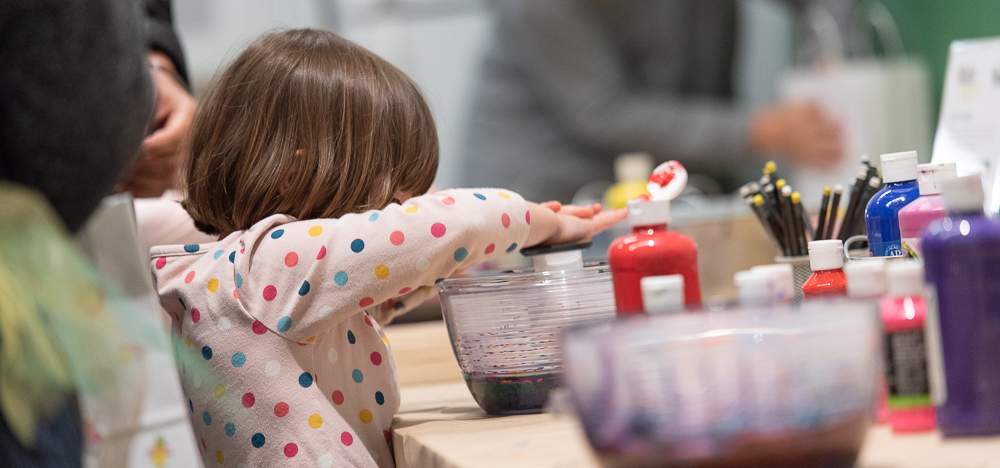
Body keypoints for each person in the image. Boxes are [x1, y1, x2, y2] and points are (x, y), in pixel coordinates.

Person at [150, 29, 624, 467]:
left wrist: (466, 258)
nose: (404, 210)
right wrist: (542, 222)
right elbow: (452, 225)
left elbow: (387, 284)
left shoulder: (262, 282)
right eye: (397, 196)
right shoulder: (267, 269)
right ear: (294, 177)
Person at [462, 0, 844, 203]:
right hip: (548, 192)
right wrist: (758, 129)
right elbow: (605, 113)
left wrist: (838, 52)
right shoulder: (537, 6)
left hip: (674, 184)